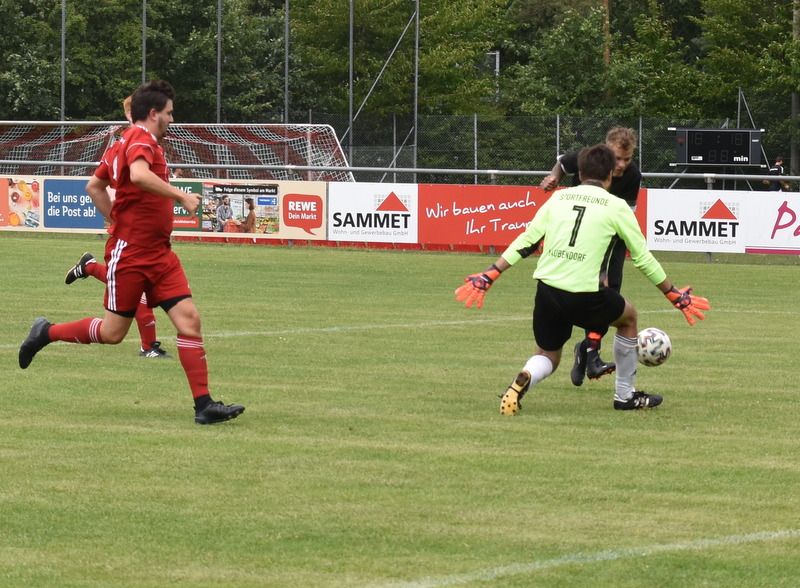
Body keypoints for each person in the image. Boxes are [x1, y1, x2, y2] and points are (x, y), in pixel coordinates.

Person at [19, 80, 245, 425]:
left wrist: (116, 217)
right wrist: (181, 196)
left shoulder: (126, 142)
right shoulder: (141, 139)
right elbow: (138, 175)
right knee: (113, 334)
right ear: (154, 114)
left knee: (189, 320)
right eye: (169, 112)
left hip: (160, 254)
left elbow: (95, 186)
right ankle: (46, 332)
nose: (172, 119)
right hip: (132, 255)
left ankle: (204, 405)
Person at [455, 144, 711, 414]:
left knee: (548, 355)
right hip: (586, 294)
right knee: (629, 318)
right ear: (610, 175)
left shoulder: (558, 199)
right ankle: (625, 396)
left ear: (579, 173)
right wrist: (673, 294)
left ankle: (527, 374)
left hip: (548, 290)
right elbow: (642, 258)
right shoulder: (617, 206)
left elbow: (527, 241)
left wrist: (491, 273)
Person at [64, 94, 169, 359]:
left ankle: (88, 267)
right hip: (130, 236)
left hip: (143, 234)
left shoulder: (143, 145)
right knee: (136, 295)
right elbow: (96, 186)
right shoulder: (126, 147)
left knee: (140, 290)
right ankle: (148, 346)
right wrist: (119, 220)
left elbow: (97, 186)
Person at [539, 126, 641, 388]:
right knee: (594, 291)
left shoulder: (633, 175)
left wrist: (605, 265)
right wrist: (554, 177)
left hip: (612, 238)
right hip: (582, 239)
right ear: (606, 150)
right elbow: (562, 163)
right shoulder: (587, 158)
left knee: (610, 296)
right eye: (617, 158)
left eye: (627, 159)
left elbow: (626, 220)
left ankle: (589, 350)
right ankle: (591, 355)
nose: (621, 165)